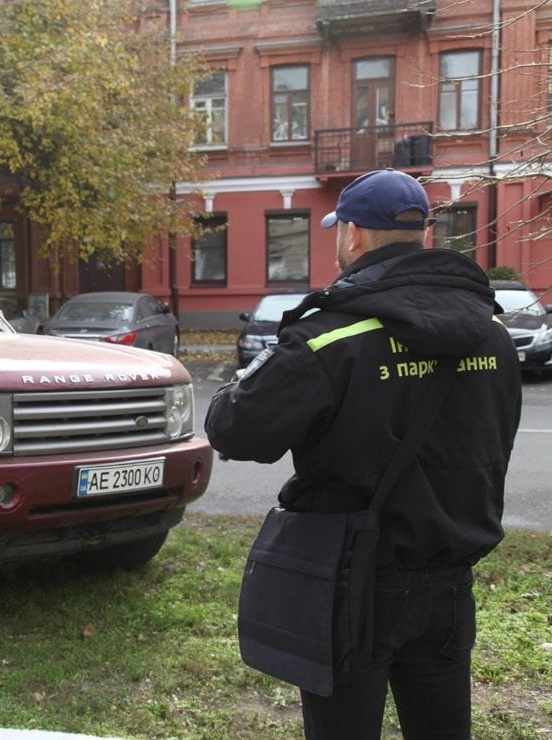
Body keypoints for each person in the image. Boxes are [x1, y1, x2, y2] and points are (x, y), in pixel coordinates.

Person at [204, 169, 521, 739]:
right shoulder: (491, 334)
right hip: (450, 579)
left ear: (351, 235)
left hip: (352, 580)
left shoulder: (332, 337)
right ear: (422, 233)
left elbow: (234, 428)